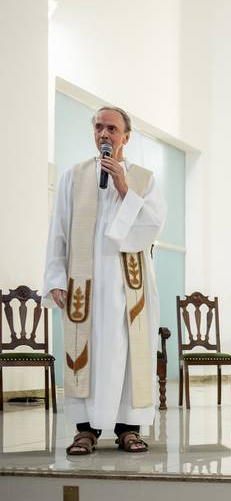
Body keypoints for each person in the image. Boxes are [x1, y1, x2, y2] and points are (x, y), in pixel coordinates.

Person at [43, 106, 166, 455]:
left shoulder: (143, 179)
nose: (104, 134)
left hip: (129, 288)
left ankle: (129, 429)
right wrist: (55, 276)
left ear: (126, 136)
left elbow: (152, 227)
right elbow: (58, 230)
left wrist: (124, 188)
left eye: (111, 128)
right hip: (85, 286)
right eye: (98, 127)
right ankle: (86, 430)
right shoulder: (74, 176)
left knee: (129, 356)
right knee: (87, 355)